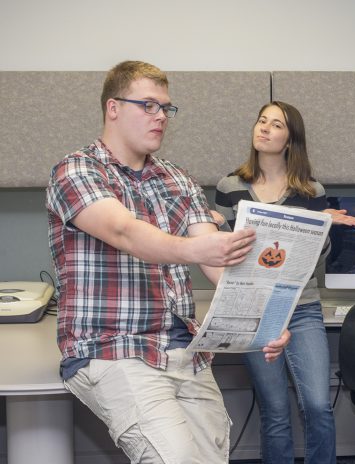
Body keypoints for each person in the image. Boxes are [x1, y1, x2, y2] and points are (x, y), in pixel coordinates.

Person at [46, 60, 290, 464]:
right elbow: (124, 232)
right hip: (113, 346)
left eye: (166, 108)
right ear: (113, 108)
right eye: (148, 105)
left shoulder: (177, 178)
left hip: (182, 347)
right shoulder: (77, 170)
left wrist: (263, 319)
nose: (161, 116)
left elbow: (214, 257)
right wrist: (195, 250)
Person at [215, 100, 355, 464]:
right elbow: (224, 253)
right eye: (261, 120)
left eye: (276, 124)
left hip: (302, 307)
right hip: (252, 310)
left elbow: (318, 258)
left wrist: (320, 228)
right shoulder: (230, 185)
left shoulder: (311, 191)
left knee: (317, 404)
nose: (264, 128)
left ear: (290, 138)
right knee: (275, 409)